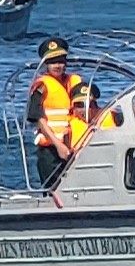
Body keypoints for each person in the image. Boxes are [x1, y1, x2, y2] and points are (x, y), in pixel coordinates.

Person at [25, 42, 96, 179]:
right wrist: (59, 146)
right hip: (51, 149)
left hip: (76, 146)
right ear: (46, 64)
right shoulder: (42, 86)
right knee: (53, 188)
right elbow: (38, 118)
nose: (57, 66)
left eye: (61, 61)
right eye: (52, 62)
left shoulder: (75, 82)